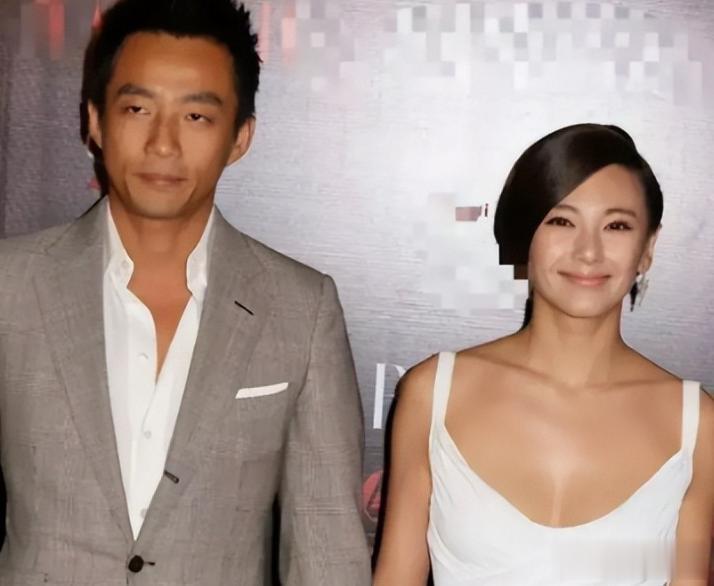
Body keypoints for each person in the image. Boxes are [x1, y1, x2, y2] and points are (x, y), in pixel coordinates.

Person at [0, 0, 371, 584]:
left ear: (240, 137)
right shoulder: (11, 286)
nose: (163, 143)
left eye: (196, 116)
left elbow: (327, 548)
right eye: (138, 108)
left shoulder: (301, 309)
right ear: (94, 120)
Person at [373, 123, 713, 585]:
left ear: (648, 247)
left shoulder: (695, 424)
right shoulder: (435, 393)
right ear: (524, 236)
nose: (588, 251)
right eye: (561, 221)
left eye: (616, 225)